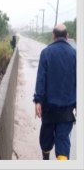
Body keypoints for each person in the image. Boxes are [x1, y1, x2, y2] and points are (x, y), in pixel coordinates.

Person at [33, 23, 77, 160]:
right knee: (63, 142)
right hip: (67, 109)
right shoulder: (75, 54)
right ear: (67, 36)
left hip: (48, 108)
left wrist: (38, 101)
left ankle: (46, 160)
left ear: (53, 36)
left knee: (46, 139)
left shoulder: (46, 53)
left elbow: (41, 79)